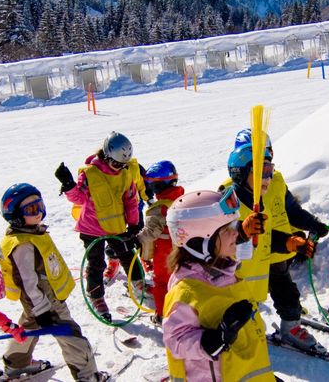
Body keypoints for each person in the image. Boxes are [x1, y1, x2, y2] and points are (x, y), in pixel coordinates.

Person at [220, 134, 329, 353]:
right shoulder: (230, 194)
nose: (267, 174)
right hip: (248, 259)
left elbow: (292, 211)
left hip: (275, 249)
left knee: (285, 291)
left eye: (268, 160)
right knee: (241, 295)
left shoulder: (275, 181)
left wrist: (308, 227)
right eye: (261, 167)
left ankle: (290, 326)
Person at [0, 183, 109, 381]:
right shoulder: (22, 245)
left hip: (35, 301)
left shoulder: (29, 233)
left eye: (40, 206)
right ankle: (87, 375)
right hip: (47, 301)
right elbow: (27, 282)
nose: (39, 212)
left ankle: (16, 365)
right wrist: (42, 310)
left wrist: (36, 308)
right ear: (15, 215)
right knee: (70, 334)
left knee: (28, 328)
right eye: (32, 209)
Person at [163, 189, 273, 382]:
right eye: (227, 229)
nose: (236, 233)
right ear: (200, 242)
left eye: (234, 225)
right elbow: (175, 340)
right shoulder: (186, 291)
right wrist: (213, 340)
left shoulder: (226, 271)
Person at [54, 131, 145, 321]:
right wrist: (69, 185)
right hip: (91, 229)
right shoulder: (90, 174)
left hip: (116, 226)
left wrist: (134, 224)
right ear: (107, 156)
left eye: (124, 165)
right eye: (116, 164)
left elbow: (130, 200)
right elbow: (79, 198)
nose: (120, 168)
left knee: (128, 255)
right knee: (96, 264)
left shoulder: (125, 174)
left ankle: (139, 284)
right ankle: (96, 297)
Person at [136, 160, 184, 325]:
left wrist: (136, 240)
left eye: (152, 185)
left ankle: (162, 315)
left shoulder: (158, 209)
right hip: (184, 249)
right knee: (181, 280)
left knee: (162, 283)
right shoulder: (183, 198)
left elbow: (150, 233)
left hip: (165, 252)